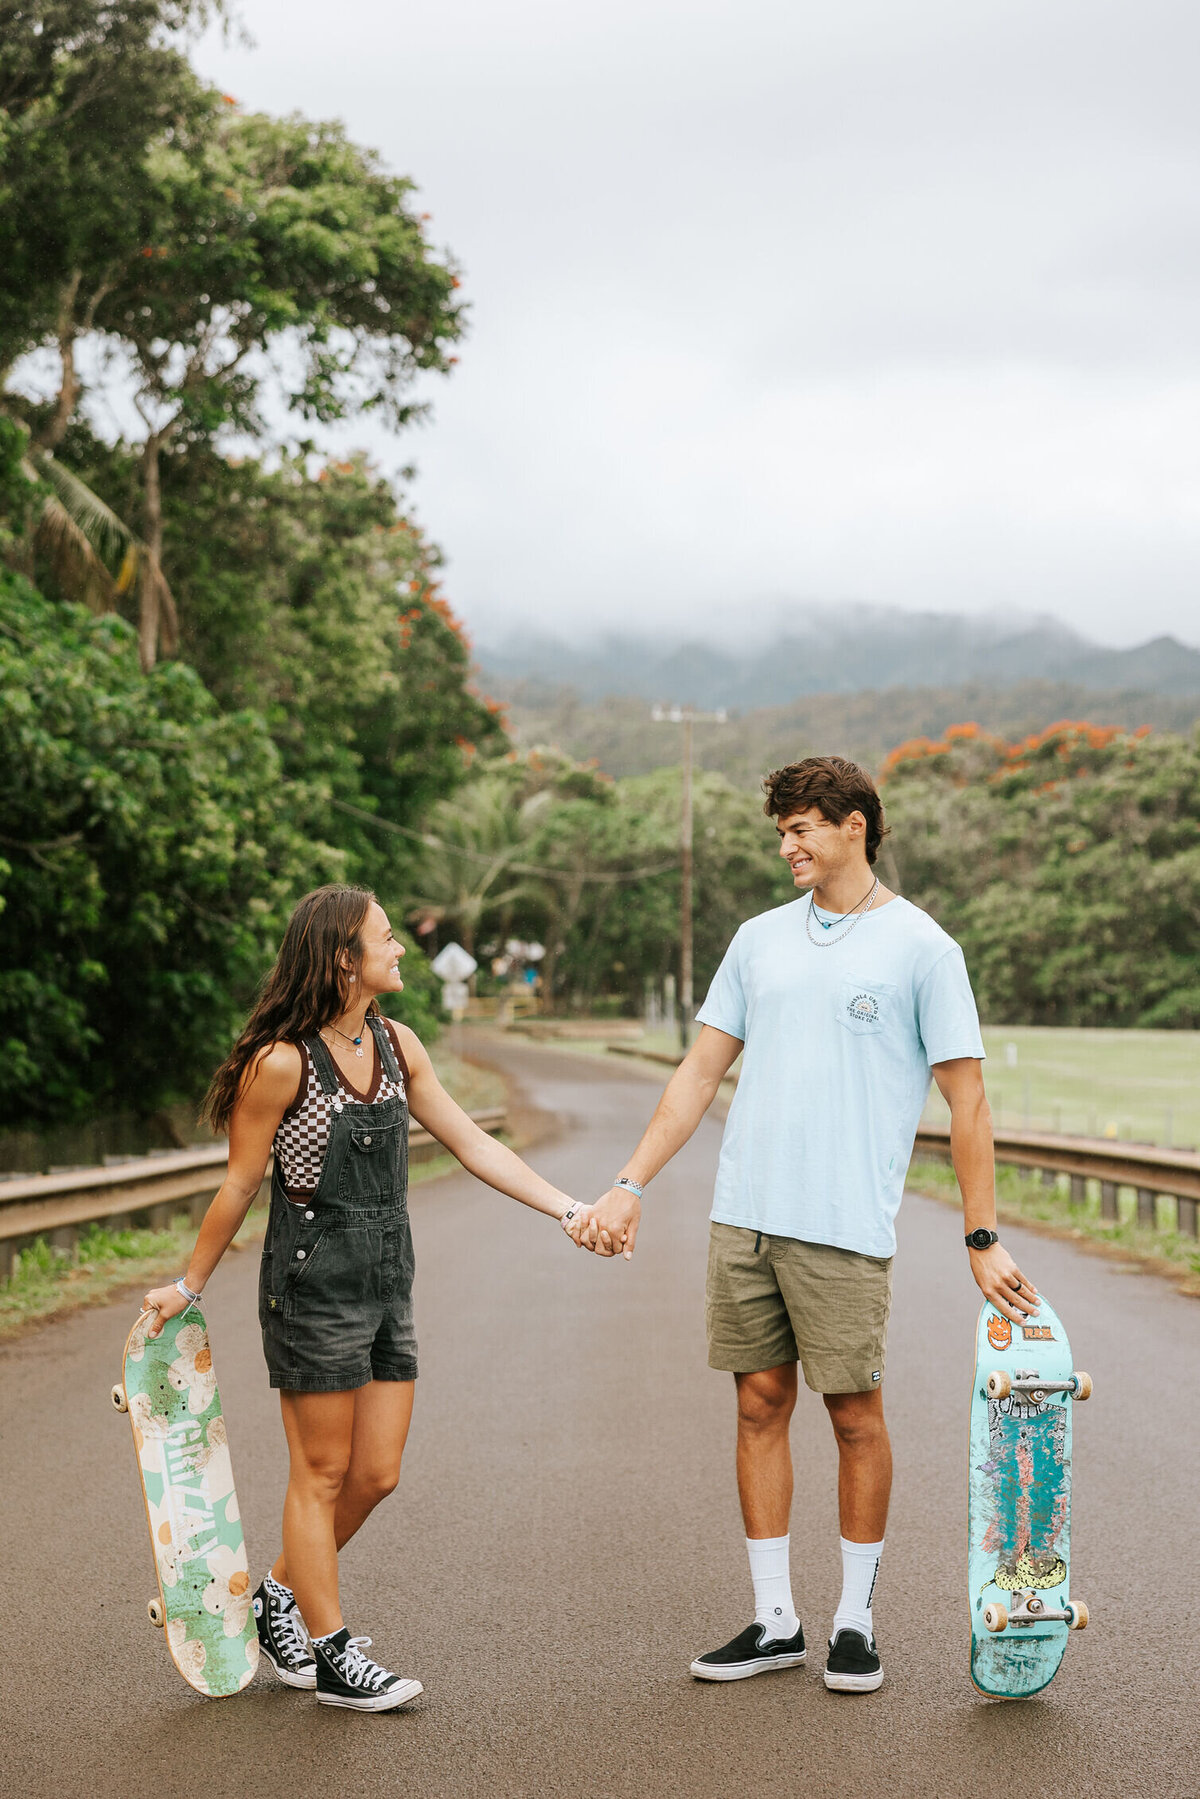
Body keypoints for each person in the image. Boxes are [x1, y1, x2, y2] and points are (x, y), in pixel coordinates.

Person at [567, 756, 1039, 1693]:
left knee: (855, 1415)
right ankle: (775, 1619)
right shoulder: (757, 940)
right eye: (781, 830)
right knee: (757, 1406)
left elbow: (969, 1098)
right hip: (745, 1216)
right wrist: (630, 1182)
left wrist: (980, 1237)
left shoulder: (921, 947)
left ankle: (854, 1620)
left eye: (801, 829)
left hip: (843, 1225)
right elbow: (699, 1074)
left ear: (854, 825)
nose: (787, 846)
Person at [144, 884, 589, 1712]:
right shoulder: (282, 1061)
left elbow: (472, 1141)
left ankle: (277, 1595)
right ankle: (333, 1651)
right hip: (311, 1281)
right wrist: (187, 1286)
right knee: (319, 1471)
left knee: (376, 1472)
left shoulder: (397, 1043)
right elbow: (241, 1184)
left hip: (387, 1275)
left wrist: (568, 1208)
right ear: (344, 957)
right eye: (387, 937)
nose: (401, 948)